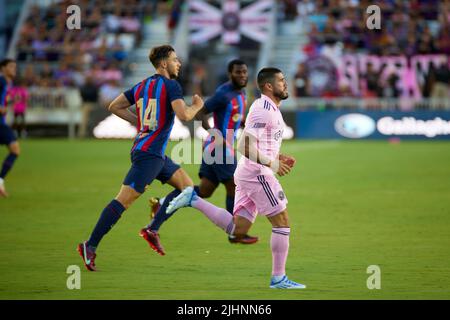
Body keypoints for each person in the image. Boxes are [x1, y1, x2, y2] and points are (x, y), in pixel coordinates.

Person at [167, 68, 306, 289]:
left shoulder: (271, 108)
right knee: (282, 222)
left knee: (238, 229)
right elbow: (244, 145)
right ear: (269, 86)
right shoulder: (263, 110)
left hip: (248, 172)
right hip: (257, 174)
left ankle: (192, 200)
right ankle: (278, 278)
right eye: (281, 80)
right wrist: (272, 164)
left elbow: (259, 144)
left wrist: (277, 156)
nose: (285, 83)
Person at [77, 45, 205, 271]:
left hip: (152, 152)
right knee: (123, 201)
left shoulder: (144, 85)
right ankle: (90, 245)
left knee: (187, 188)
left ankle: (152, 227)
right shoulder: (171, 85)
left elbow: (114, 106)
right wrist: (196, 106)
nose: (179, 64)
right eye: (175, 60)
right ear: (164, 63)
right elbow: (184, 115)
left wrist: (140, 124)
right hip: (149, 155)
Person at [143, 60, 257, 256]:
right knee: (234, 185)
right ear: (230, 74)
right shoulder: (223, 93)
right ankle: (235, 232)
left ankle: (162, 203)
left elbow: (234, 117)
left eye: (245, 72)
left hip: (220, 147)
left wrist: (244, 123)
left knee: (204, 191)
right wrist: (214, 133)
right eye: (238, 72)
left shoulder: (242, 92)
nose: (242, 75)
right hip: (218, 147)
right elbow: (201, 113)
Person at [0, 59, 20, 198]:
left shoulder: (8, 83)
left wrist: (12, 102)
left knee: (15, 150)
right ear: (3, 68)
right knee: (15, 149)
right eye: (11, 66)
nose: (14, 69)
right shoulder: (1, 81)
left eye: (15, 67)